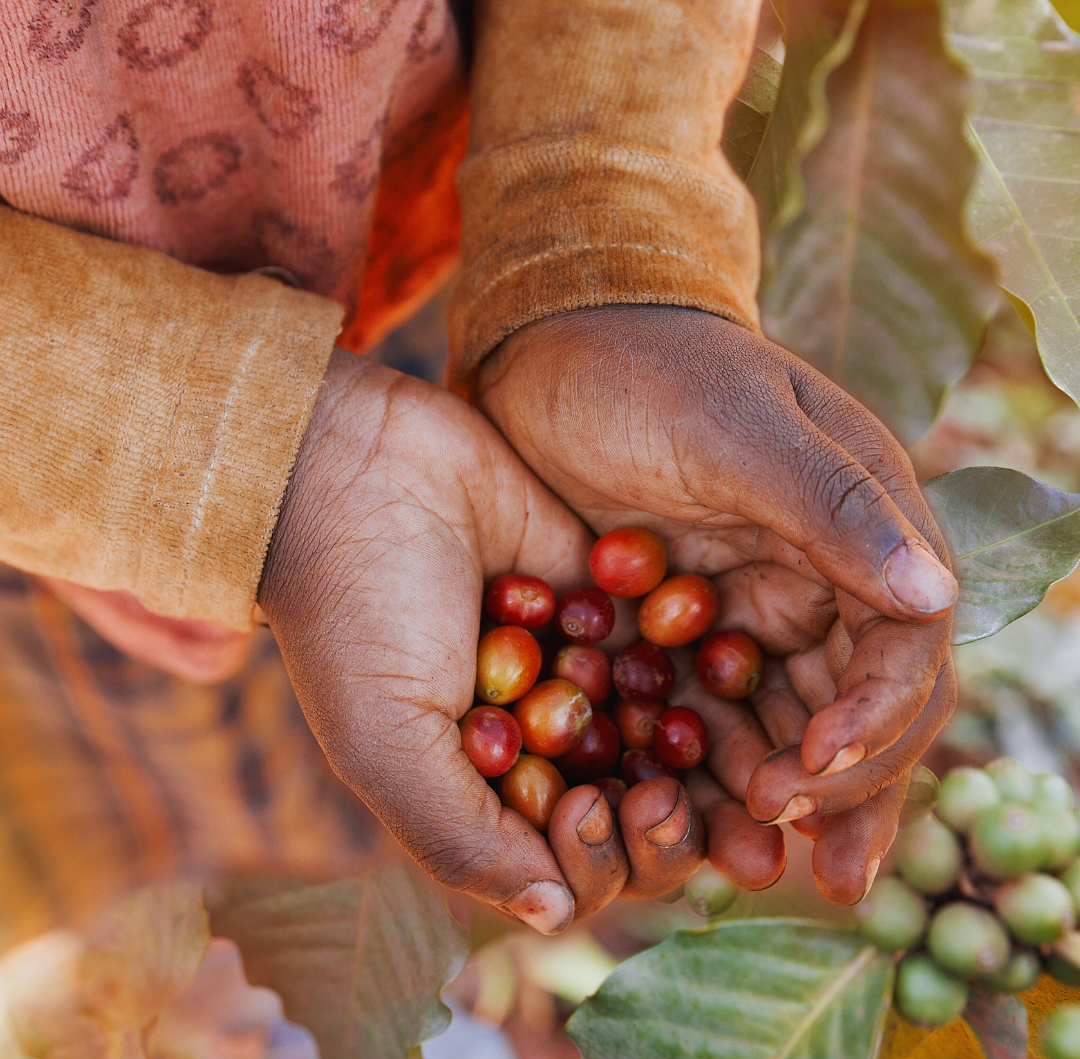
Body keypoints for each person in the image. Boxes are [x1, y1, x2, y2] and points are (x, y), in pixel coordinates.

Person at [0, 0, 955, 938]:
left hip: (431, 242)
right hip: (78, 473)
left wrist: (588, 241)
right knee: (154, 763)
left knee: (384, 725)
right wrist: (258, 459)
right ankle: (182, 938)